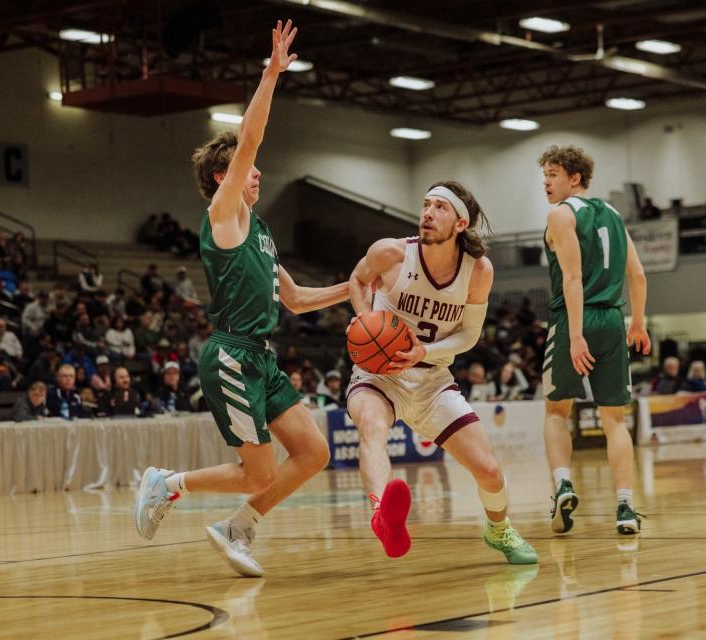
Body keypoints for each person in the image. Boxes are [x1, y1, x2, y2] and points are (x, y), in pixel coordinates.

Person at [134, 20, 347, 578]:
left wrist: (352, 287)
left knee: (313, 452)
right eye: (250, 168)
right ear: (225, 176)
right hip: (230, 353)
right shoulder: (223, 215)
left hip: (261, 356)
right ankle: (167, 484)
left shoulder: (261, 232)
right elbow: (249, 137)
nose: (260, 172)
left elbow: (296, 301)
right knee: (256, 470)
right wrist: (270, 74)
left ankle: (238, 527)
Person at [346, 179, 537, 565]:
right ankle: (382, 514)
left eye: (440, 208)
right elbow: (357, 279)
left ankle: (499, 530)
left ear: (460, 224)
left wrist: (424, 351)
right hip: (379, 376)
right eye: (425, 205)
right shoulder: (391, 253)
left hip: (433, 379)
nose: (428, 213)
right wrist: (367, 319)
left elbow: (469, 335)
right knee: (372, 427)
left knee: (488, 470)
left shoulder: (478, 270)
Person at [538, 144, 650, 536]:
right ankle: (625, 507)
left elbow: (571, 279)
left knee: (556, 411)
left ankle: (563, 484)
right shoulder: (616, 215)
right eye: (545, 175)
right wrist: (637, 323)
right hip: (614, 320)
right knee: (615, 420)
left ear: (575, 177)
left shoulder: (560, 215)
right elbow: (638, 276)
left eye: (553, 174)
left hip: (576, 317)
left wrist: (574, 336)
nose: (546, 182)